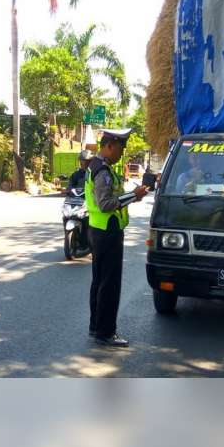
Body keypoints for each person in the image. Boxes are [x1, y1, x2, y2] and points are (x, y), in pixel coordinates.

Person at [85, 128, 149, 348]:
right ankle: (106, 332)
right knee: (109, 284)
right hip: (107, 232)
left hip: (99, 230)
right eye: (121, 148)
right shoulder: (102, 170)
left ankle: (96, 327)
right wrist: (134, 195)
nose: (122, 153)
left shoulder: (99, 166)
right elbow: (105, 205)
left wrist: (131, 198)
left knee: (99, 282)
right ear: (110, 145)